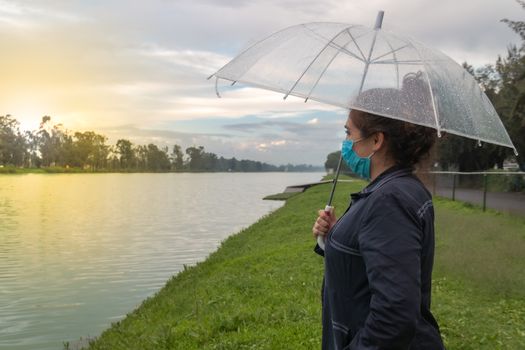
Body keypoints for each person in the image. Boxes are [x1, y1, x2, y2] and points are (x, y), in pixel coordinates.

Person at [312, 86, 445, 349]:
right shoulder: (394, 188)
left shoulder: (390, 199)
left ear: (376, 141)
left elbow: (394, 315)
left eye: (349, 132)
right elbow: (370, 259)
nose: (347, 142)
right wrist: (335, 236)